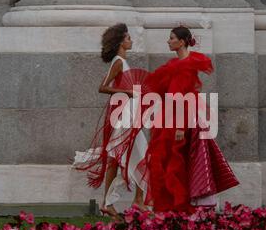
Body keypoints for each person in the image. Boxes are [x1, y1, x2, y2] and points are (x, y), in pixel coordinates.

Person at [133, 26, 240, 213]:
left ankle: (180, 203)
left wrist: (181, 127)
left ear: (181, 42)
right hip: (170, 117)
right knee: (170, 160)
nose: (168, 41)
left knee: (177, 160)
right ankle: (175, 204)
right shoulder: (177, 64)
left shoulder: (185, 66)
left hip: (179, 120)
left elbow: (183, 97)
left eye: (171, 38)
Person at [70, 23, 148, 219]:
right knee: (131, 155)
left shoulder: (121, 61)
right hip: (124, 116)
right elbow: (102, 87)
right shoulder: (118, 61)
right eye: (128, 38)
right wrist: (129, 92)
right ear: (121, 42)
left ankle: (119, 202)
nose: (131, 41)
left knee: (129, 156)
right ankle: (129, 201)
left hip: (128, 113)